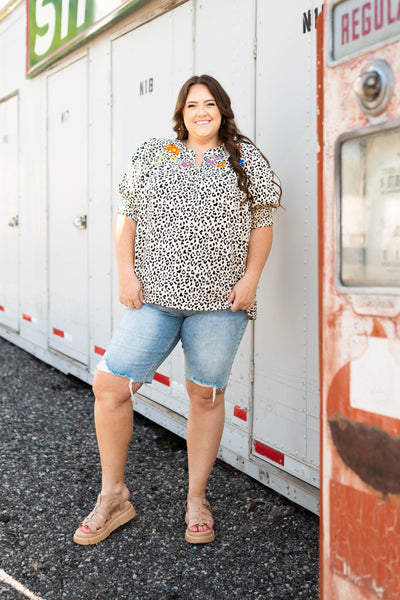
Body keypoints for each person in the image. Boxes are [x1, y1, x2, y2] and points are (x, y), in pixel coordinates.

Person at [73, 74, 281, 546]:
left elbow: (263, 224)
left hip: (220, 303)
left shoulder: (246, 159)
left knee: (204, 395)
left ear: (222, 110)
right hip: (156, 300)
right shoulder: (153, 154)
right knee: (109, 385)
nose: (201, 112)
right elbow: (126, 217)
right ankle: (113, 496)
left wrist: (251, 280)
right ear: (181, 113)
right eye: (192, 105)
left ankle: (196, 498)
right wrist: (126, 274)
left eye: (210, 104)